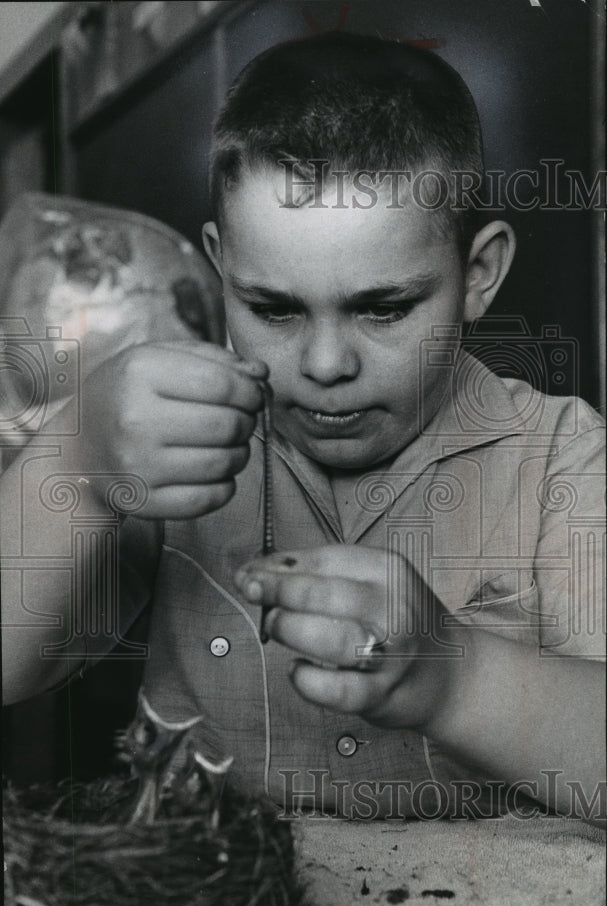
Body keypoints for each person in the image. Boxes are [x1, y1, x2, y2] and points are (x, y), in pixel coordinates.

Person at [2, 34, 604, 824]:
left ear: (477, 275)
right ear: (222, 269)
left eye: (383, 308)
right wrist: (75, 467)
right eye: (273, 309)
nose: (322, 364)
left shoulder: (562, 453)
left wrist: (457, 679)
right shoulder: (171, 442)